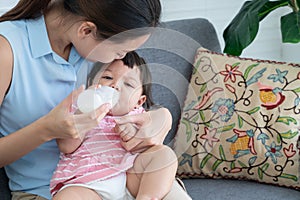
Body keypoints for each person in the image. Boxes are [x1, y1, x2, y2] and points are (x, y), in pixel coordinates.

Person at [0, 0, 192, 200]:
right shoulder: (7, 49)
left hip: (125, 177)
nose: (123, 57)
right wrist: (46, 130)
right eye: (120, 51)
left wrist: (163, 116)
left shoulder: (95, 44)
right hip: (48, 191)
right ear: (86, 30)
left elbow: (132, 94)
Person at [50, 51, 178, 200]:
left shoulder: (138, 116)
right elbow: (66, 146)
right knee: (67, 197)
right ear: (92, 84)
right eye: (107, 77)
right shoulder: (80, 109)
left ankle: (147, 197)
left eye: (129, 84)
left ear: (139, 101)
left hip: (129, 176)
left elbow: (149, 144)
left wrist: (133, 132)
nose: (115, 85)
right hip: (87, 183)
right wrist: (85, 110)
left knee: (165, 155)